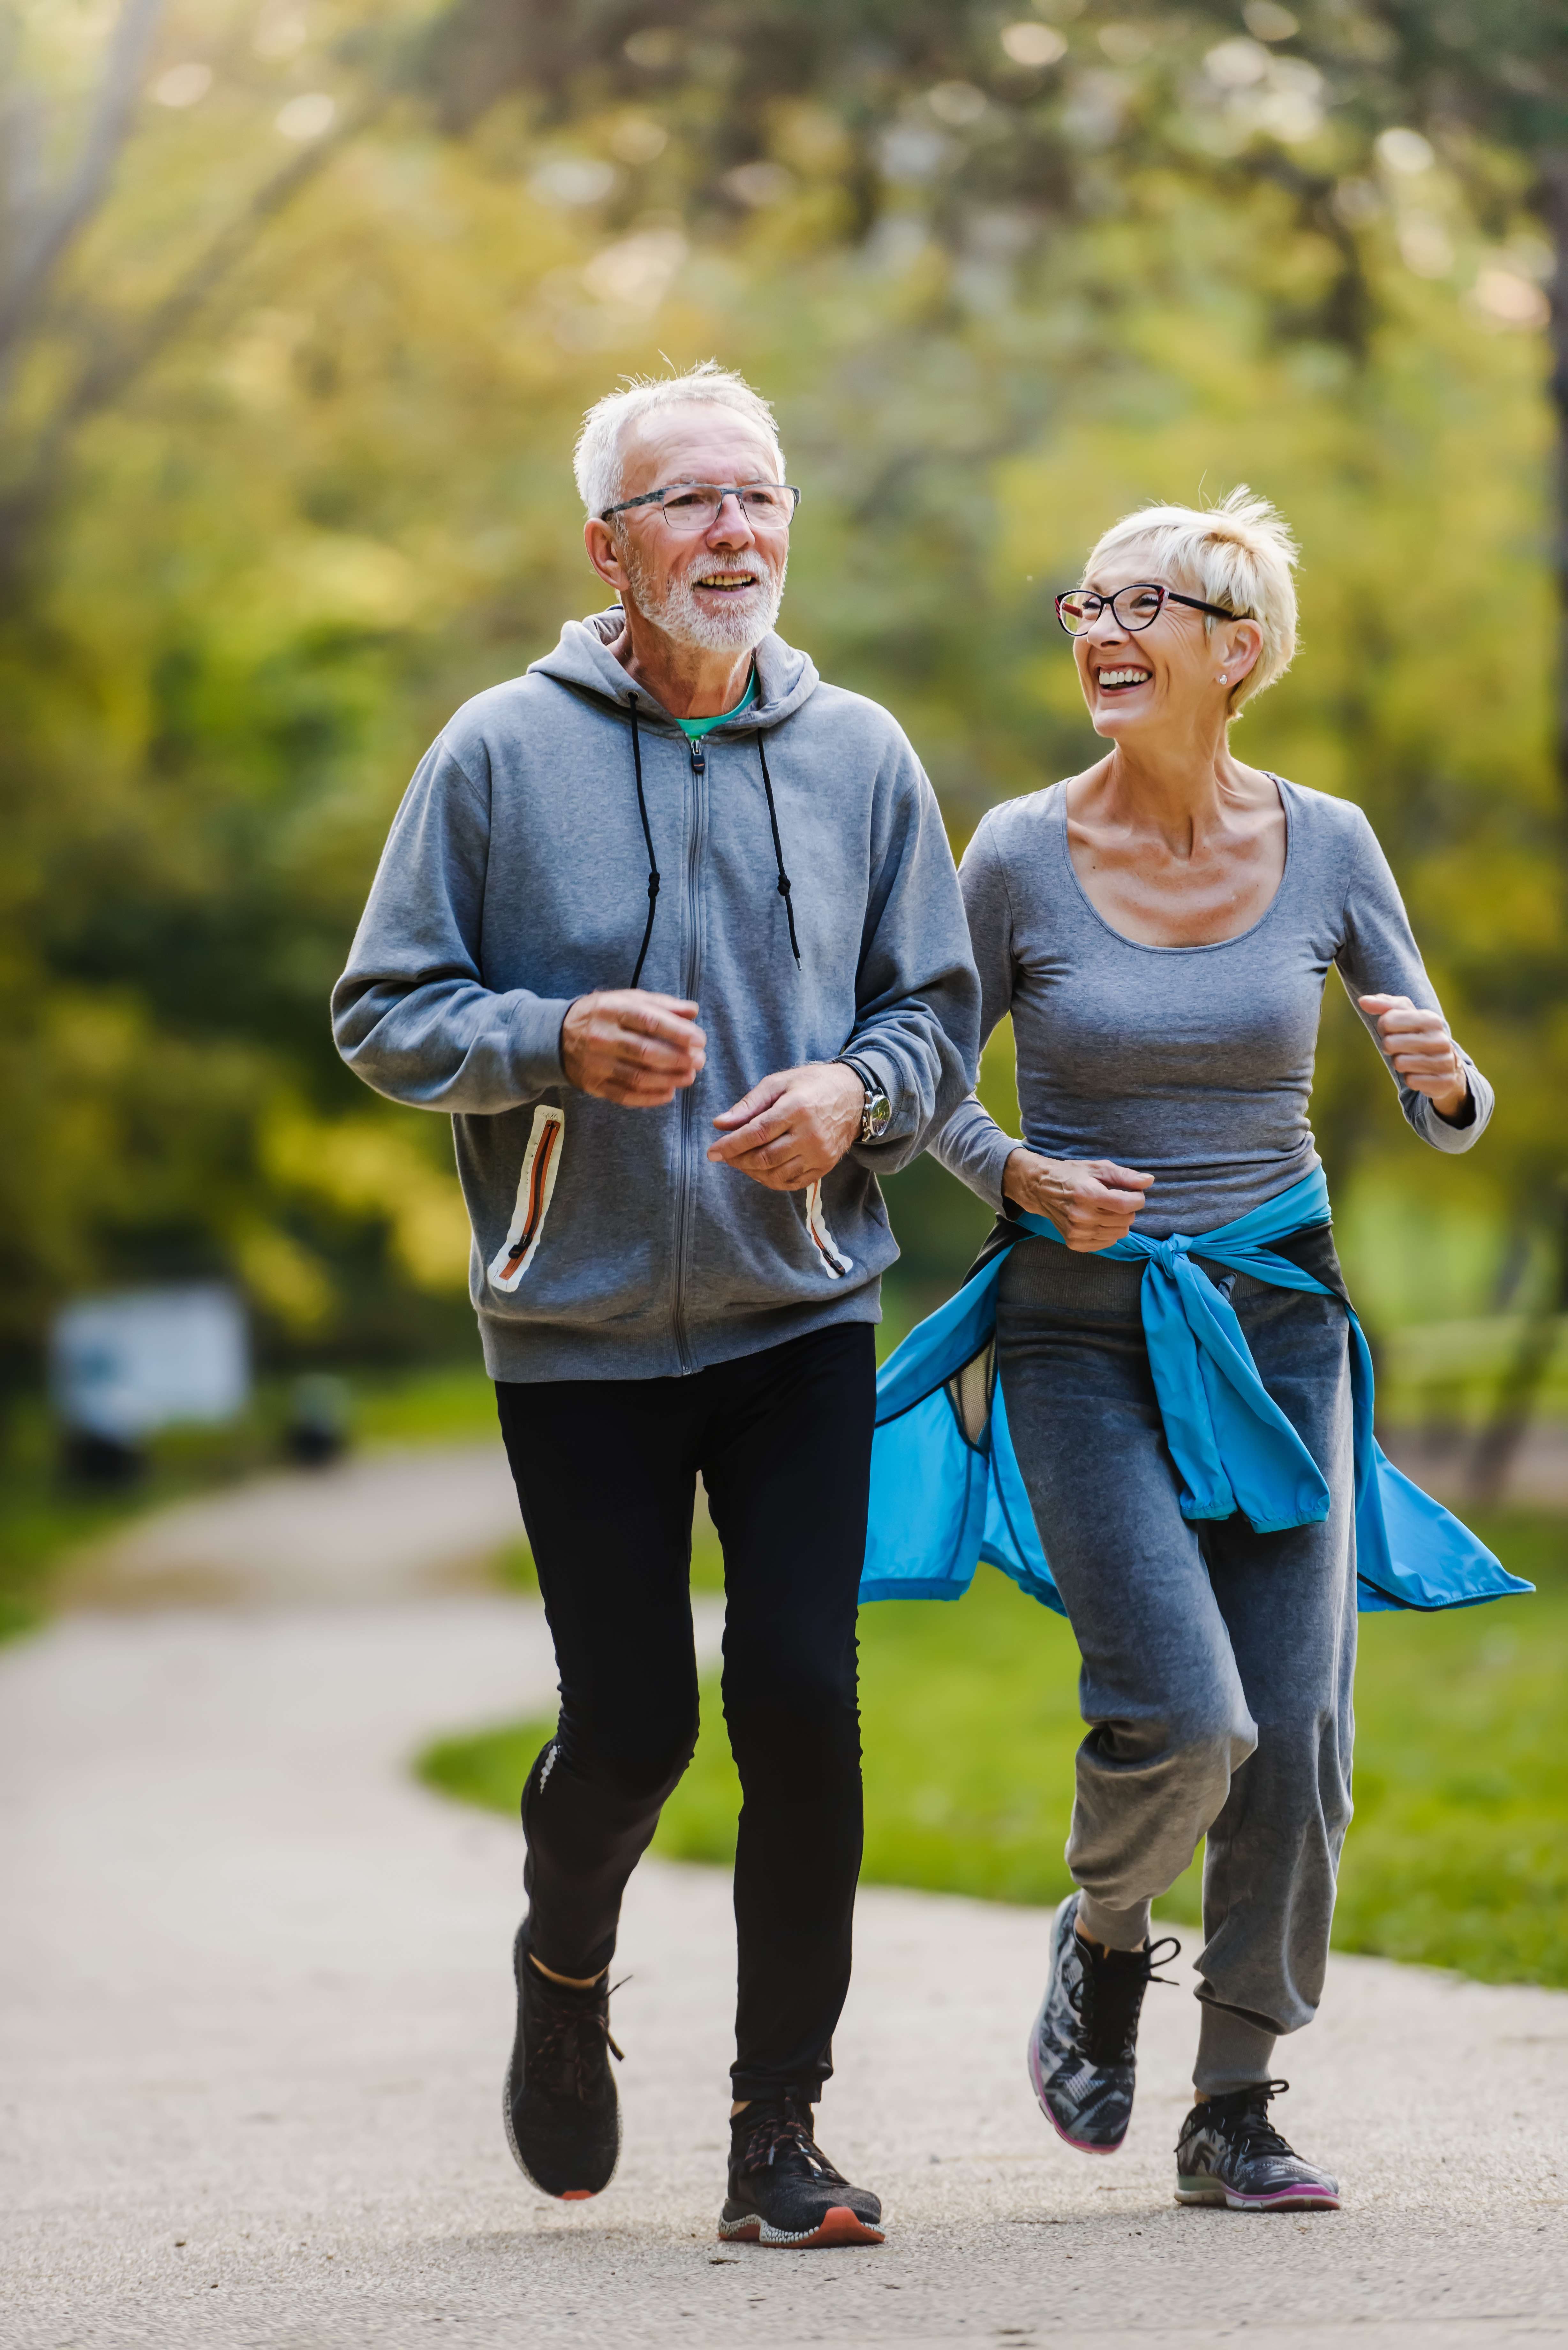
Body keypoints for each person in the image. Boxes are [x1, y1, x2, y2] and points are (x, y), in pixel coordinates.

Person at [331, 363, 979, 2248]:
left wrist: (855, 1093)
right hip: (580, 1328)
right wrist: (547, 1040)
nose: (734, 532)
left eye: (759, 496)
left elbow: (935, 1013)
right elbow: (383, 1012)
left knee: (799, 1703)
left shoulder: (860, 753)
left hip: (803, 1309)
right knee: (629, 1727)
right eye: (690, 499)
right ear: (608, 545)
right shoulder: (495, 752)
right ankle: (563, 1972)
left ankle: (780, 2136)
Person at [923, 489, 1499, 2210]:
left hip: (1278, 1330)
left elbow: (1443, 1095)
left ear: (1237, 651)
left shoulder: (1330, 844)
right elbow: (917, 1075)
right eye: (1085, 605)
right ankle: (1106, 1935)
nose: (1100, 633)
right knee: (1186, 1716)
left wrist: (1452, 1082)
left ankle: (1234, 2104)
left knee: (1297, 1737)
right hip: (1079, 1332)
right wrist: (1014, 1171)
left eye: (1142, 607)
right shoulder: (1018, 852)